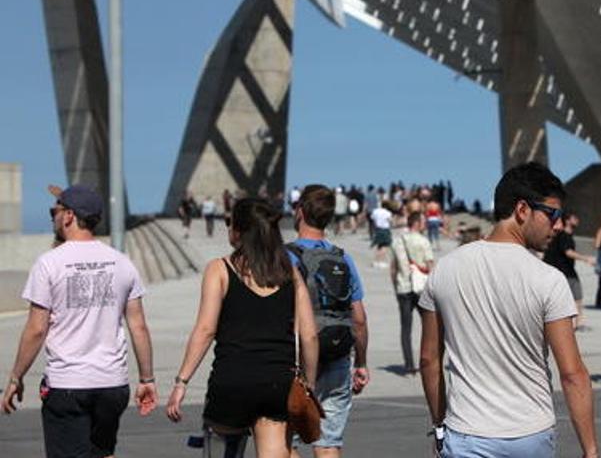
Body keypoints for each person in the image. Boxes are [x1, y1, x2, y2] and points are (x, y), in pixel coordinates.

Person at [420, 162, 599, 458]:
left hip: (467, 432)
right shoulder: (548, 279)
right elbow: (572, 373)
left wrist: (440, 426)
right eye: (552, 214)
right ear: (522, 209)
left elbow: (429, 360)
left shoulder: (444, 269)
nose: (557, 225)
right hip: (530, 434)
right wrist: (590, 450)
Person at [2, 184, 158, 458]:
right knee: (103, 453)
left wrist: (16, 376)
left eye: (55, 211)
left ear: (69, 216)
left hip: (68, 384)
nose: (53, 217)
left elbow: (37, 329)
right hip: (112, 384)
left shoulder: (49, 263)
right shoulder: (122, 263)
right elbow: (139, 327)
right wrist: (147, 378)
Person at [165, 198, 319, 458]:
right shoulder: (290, 273)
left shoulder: (220, 269)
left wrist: (182, 382)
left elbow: (205, 330)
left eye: (229, 223)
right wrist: (309, 385)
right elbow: (310, 336)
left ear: (238, 231)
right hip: (276, 382)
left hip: (231, 382)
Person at [287, 185, 370, 458]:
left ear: (299, 212)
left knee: (286, 443)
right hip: (337, 355)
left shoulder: (284, 257)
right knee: (329, 443)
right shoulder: (341, 257)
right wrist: (361, 363)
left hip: (297, 359)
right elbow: (358, 318)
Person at [389, 212, 434, 374]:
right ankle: (427, 359)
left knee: (406, 328)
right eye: (423, 221)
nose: (425, 224)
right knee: (429, 326)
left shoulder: (397, 241)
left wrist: (396, 288)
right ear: (416, 223)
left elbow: (393, 269)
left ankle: (409, 365)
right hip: (421, 289)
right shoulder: (423, 241)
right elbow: (430, 266)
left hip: (403, 288)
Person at [543, 212, 595, 329]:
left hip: (568, 271)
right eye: (574, 218)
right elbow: (568, 252)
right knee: (571, 298)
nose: (577, 220)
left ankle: (578, 323)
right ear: (567, 221)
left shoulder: (567, 235)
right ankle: (573, 324)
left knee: (577, 297)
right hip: (563, 272)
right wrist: (586, 258)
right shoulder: (563, 235)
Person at [370, 201, 393, 268]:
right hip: (385, 229)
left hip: (377, 229)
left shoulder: (375, 211)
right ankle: (380, 262)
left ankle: (375, 261)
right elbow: (390, 221)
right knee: (385, 246)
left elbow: (373, 219)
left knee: (379, 246)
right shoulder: (387, 213)